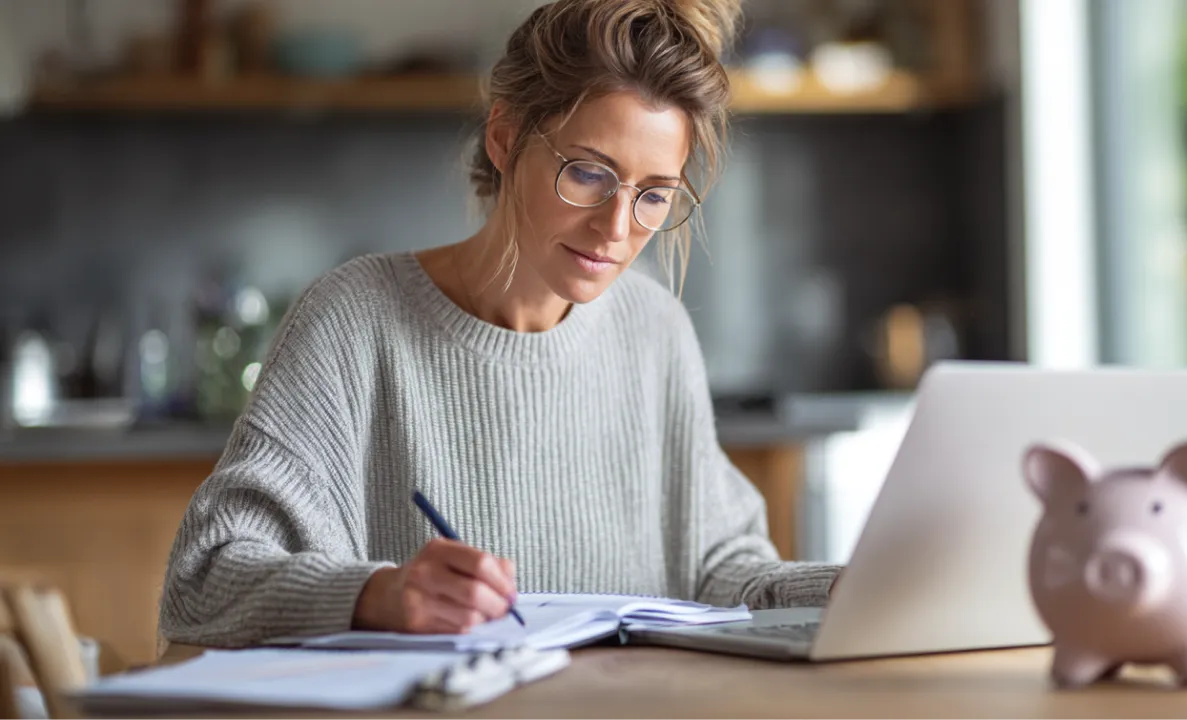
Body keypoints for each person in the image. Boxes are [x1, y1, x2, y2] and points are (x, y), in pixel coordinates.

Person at [158, 0, 842, 648]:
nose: (616, 227)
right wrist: (380, 594)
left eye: (654, 194)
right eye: (588, 173)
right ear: (505, 138)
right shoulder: (355, 320)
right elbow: (204, 581)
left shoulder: (655, 331)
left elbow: (720, 574)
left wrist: (856, 585)